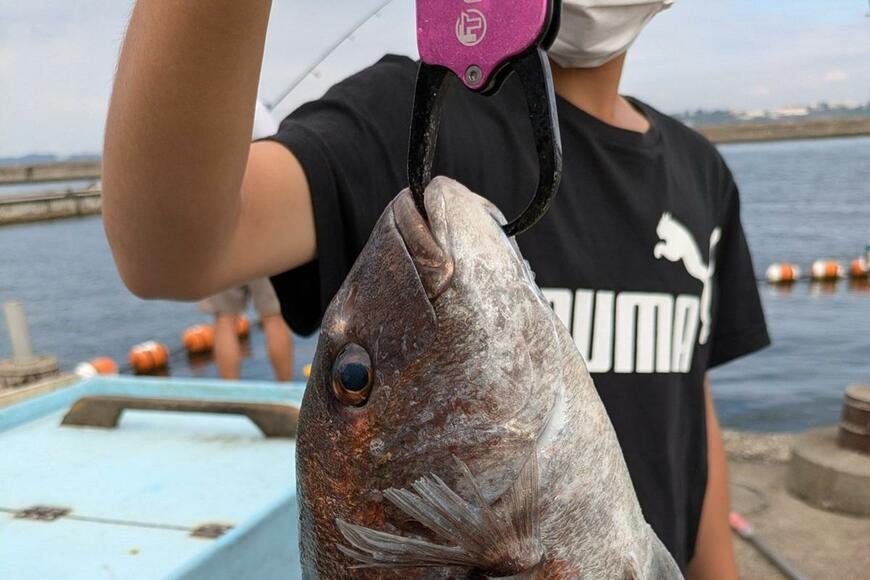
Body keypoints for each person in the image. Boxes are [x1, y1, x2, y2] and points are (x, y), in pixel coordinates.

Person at [102, 1, 769, 577]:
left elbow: (689, 404)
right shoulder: (406, 117)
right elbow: (172, 248)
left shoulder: (700, 172)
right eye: (354, 378)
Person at [196, 100, 295, 382]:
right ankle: (285, 392)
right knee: (274, 316)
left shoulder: (196, 106)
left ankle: (231, 393)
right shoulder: (252, 104)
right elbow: (281, 150)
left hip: (217, 225)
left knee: (224, 318)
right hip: (262, 221)